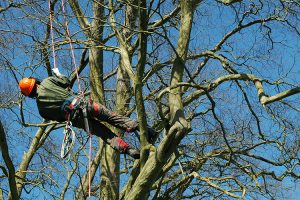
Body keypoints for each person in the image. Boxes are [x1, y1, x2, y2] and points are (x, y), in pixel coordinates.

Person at [19, 68, 155, 159]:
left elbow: (60, 118)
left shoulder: (41, 110)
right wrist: (59, 74)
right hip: (85, 105)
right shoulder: (47, 82)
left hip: (78, 120)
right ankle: (144, 129)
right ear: (35, 81)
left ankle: (129, 150)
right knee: (112, 117)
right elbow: (66, 81)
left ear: (29, 95)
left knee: (105, 135)